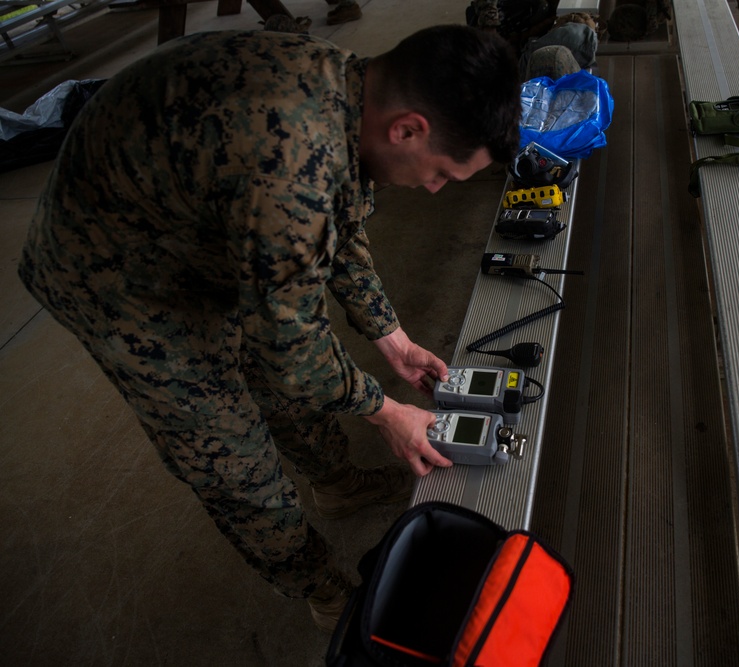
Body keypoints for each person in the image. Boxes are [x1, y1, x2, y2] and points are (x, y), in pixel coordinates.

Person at [18, 24, 521, 630]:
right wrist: (383, 412)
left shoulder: (349, 88)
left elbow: (337, 229)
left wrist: (393, 339)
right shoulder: (289, 161)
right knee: (230, 455)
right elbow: (290, 344)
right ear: (407, 128)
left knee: (278, 377)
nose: (435, 188)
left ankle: (335, 482)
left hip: (198, 225)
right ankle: (325, 591)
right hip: (117, 276)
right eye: (442, 172)